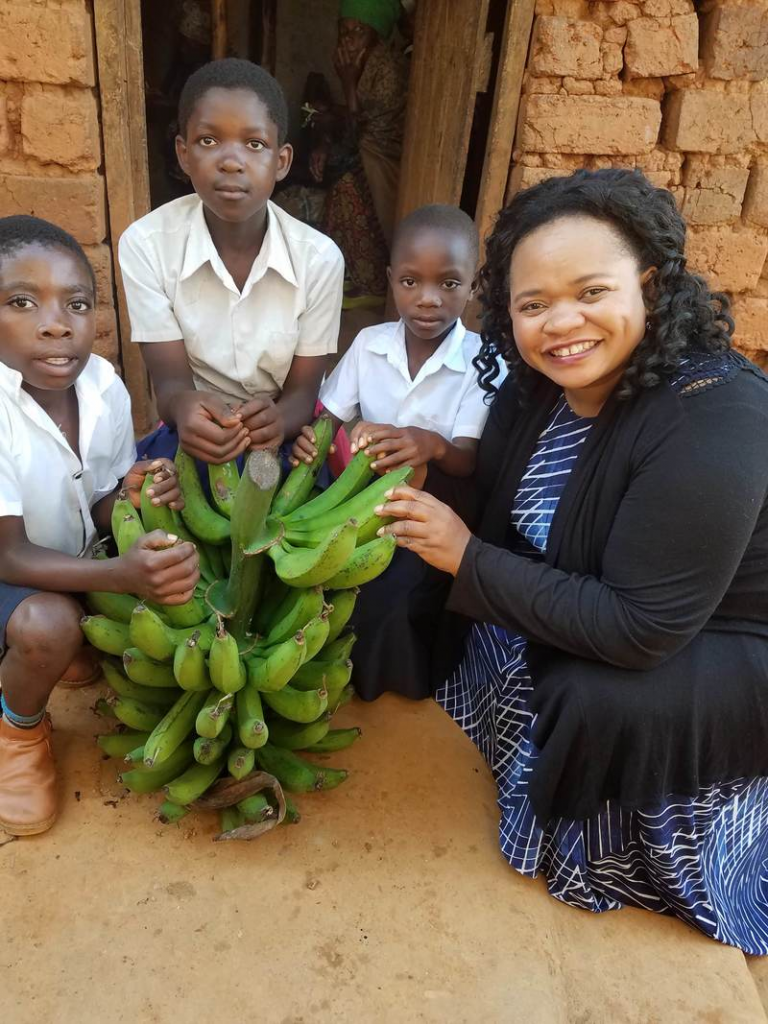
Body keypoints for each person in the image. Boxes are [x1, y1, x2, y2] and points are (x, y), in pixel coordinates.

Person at [376, 169, 768, 954]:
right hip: (598, 591)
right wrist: (426, 473)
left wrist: (467, 559)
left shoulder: (715, 417)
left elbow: (642, 625)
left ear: (650, 286)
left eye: (591, 291)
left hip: (714, 635)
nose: (562, 323)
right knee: (396, 574)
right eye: (533, 304)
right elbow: (493, 492)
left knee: (593, 693)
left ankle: (621, 852)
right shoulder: (539, 382)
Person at [0, 216, 199, 837]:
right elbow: (7, 556)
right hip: (13, 568)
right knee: (47, 625)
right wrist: (119, 573)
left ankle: (70, 642)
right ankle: (17, 733)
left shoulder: (102, 385)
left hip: (68, 556)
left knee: (152, 546)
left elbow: (103, 499)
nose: (57, 323)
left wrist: (133, 494)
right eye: (23, 302)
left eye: (77, 304)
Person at [292, 204, 506, 701]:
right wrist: (314, 437)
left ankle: (389, 684)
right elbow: (326, 415)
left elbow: (467, 459)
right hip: (359, 496)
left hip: (431, 505)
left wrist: (427, 444)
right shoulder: (370, 344)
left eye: (448, 284)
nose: (428, 300)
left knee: (394, 596)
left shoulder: (481, 359)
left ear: (473, 286)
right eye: (411, 282)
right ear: (391, 280)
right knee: (321, 574)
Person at [119, 58, 344, 468]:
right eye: (208, 141)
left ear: (282, 161)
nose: (231, 161)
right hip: (195, 432)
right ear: (183, 154)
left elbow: (302, 393)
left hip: (282, 432)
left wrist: (279, 420)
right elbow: (169, 384)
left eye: (254, 144)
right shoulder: (147, 244)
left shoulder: (319, 258)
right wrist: (184, 407)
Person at [310, 0, 408, 306]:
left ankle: (374, 282)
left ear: (376, 36)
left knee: (347, 189)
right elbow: (357, 122)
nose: (349, 39)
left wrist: (348, 83)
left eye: (359, 31)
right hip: (368, 156)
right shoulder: (362, 64)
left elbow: (360, 137)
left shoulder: (387, 69)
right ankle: (347, 270)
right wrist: (324, 142)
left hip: (387, 165)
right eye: (345, 30)